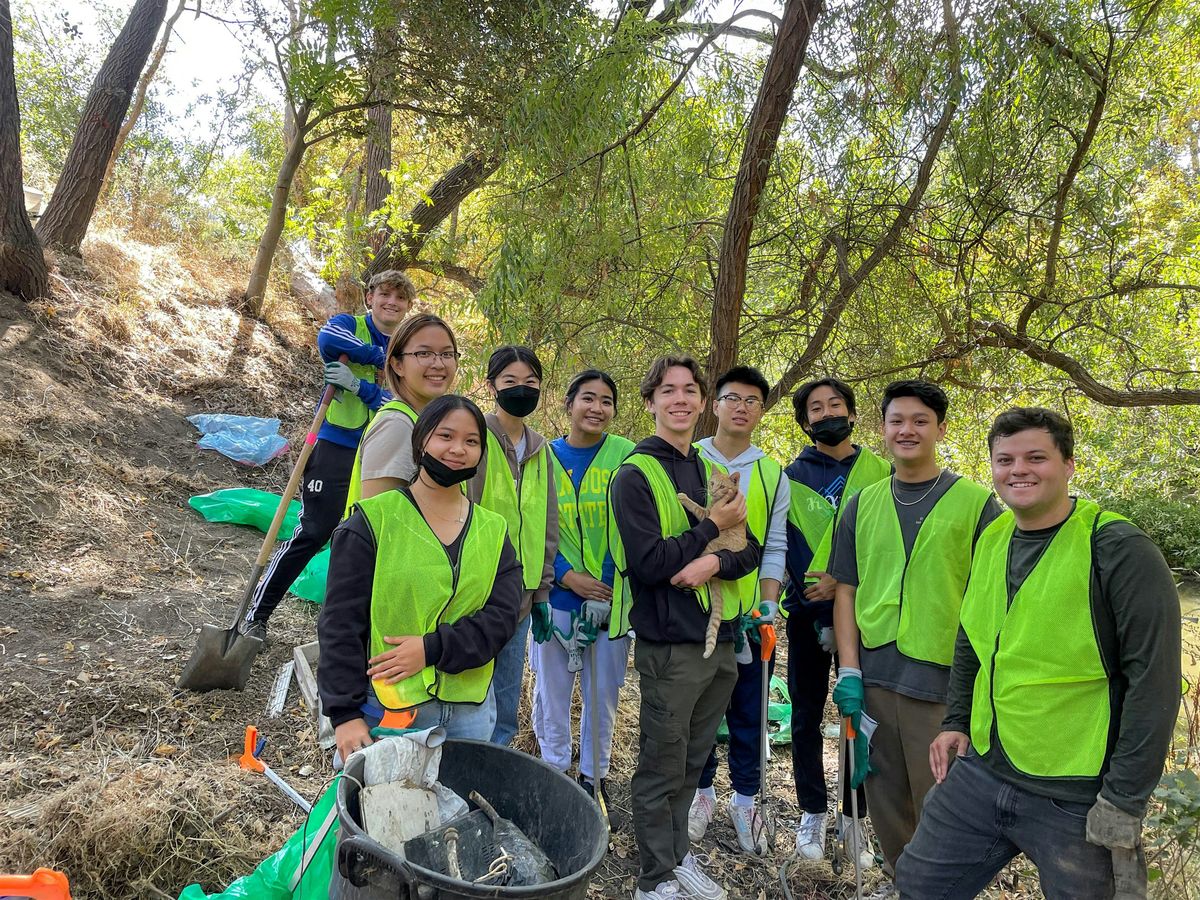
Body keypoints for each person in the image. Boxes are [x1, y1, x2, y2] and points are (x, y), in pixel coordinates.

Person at [896, 407, 1181, 900]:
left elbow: (1154, 682)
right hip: (982, 770)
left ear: (1069, 465)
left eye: (1035, 457)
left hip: (1076, 794)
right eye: (1004, 459)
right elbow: (972, 639)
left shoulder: (1116, 548)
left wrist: (1124, 800)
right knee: (919, 885)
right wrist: (956, 720)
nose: (1018, 470)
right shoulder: (993, 537)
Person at [830, 379, 1000, 896]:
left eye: (920, 421)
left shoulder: (978, 505)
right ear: (880, 429)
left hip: (943, 689)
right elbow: (847, 591)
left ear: (940, 430)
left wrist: (975, 696)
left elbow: (991, 602)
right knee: (884, 801)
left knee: (942, 806)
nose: (907, 430)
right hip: (876, 682)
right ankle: (903, 884)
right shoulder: (861, 504)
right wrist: (850, 671)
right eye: (896, 420)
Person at [610, 355, 762, 900]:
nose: (680, 399)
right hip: (670, 646)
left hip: (719, 643)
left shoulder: (706, 469)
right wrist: (710, 531)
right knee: (661, 765)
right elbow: (650, 564)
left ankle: (676, 860)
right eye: (667, 390)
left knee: (694, 762)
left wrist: (714, 560)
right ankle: (653, 880)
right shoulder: (634, 474)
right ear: (650, 401)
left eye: (690, 390)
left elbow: (750, 549)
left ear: (703, 403)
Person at [317, 395, 523, 760]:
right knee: (384, 814)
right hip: (388, 710)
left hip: (471, 713)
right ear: (421, 441)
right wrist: (344, 714)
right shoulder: (372, 521)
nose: (457, 449)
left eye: (471, 441)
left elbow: (501, 619)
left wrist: (431, 649)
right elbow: (340, 623)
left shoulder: (494, 530)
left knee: (460, 813)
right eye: (445, 436)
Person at [241, 269, 413, 639]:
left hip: (383, 453)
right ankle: (257, 613)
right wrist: (377, 355)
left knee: (372, 538)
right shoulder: (349, 324)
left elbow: (404, 399)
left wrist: (360, 384)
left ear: (407, 306)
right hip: (337, 443)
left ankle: (359, 626)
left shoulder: (410, 347)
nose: (391, 302)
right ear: (370, 297)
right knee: (315, 530)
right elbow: (329, 338)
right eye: (385, 294)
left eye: (400, 298)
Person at [782, 377, 890, 866]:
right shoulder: (790, 475)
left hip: (863, 615)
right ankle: (811, 811)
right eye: (816, 409)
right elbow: (784, 543)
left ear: (851, 412)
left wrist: (844, 584)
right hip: (806, 613)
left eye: (835, 405)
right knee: (805, 715)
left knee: (858, 716)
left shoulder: (881, 473)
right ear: (805, 422)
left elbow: (887, 548)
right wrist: (811, 592)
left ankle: (854, 815)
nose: (827, 414)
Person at [686, 366, 790, 855]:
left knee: (749, 711)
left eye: (752, 400)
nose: (742, 406)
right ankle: (702, 793)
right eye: (732, 397)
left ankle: (745, 799)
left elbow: (774, 545)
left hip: (747, 618)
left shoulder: (772, 472)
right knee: (700, 713)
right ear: (715, 403)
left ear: (761, 411)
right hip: (693, 608)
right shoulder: (689, 457)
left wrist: (768, 604)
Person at [532, 369, 634, 820]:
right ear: (568, 404)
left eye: (607, 401)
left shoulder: (627, 456)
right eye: (588, 398)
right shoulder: (542, 457)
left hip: (611, 603)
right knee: (551, 693)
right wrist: (566, 576)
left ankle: (594, 778)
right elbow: (530, 524)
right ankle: (553, 771)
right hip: (555, 599)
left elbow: (634, 525)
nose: (597, 408)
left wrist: (606, 588)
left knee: (602, 694)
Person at [466, 345, 558, 747]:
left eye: (530, 383)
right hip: (476, 590)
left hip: (521, 593)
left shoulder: (541, 449)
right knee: (471, 684)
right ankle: (465, 754)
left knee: (506, 689)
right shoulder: (475, 436)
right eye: (510, 382)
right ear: (491, 386)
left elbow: (547, 523)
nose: (521, 390)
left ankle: (496, 759)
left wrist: (541, 592)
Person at [343, 313, 460, 511]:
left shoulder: (426, 422)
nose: (438, 364)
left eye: (447, 354)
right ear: (397, 365)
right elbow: (378, 521)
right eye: (424, 353)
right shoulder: (397, 424)